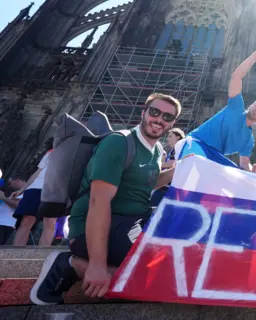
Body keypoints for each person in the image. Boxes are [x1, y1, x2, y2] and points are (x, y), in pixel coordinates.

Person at [30, 93, 181, 305]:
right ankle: (68, 265)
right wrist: (97, 265)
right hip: (96, 226)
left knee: (173, 263)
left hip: (132, 223)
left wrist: (178, 169)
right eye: (154, 112)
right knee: (149, 277)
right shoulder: (119, 143)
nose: (159, 119)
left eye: (167, 117)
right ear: (144, 112)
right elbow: (98, 202)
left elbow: (145, 183)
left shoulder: (156, 150)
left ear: (173, 123)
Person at [178, 48, 256, 170]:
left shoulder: (248, 140)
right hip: (196, 143)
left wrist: (252, 171)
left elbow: (244, 163)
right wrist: (255, 55)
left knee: (231, 173)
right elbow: (237, 77)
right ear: (250, 106)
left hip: (214, 156)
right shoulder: (236, 107)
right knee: (193, 168)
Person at [11, 139, 56, 246]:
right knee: (27, 220)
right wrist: (22, 190)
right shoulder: (50, 152)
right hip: (36, 188)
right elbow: (37, 172)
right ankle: (16, 252)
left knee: (50, 222)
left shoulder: (74, 151)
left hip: (55, 189)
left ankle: (41, 255)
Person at [150, 127, 185, 207]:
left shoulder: (177, 148)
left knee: (153, 207)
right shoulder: (176, 149)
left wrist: (155, 164)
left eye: (170, 136)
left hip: (167, 186)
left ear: (178, 137)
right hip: (169, 186)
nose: (167, 139)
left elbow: (171, 164)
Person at [0, 178, 23, 245]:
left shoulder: (25, 192)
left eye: (10, 183)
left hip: (5, 224)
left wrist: (3, 198)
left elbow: (18, 206)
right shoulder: (11, 192)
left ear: (17, 180)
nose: (9, 186)